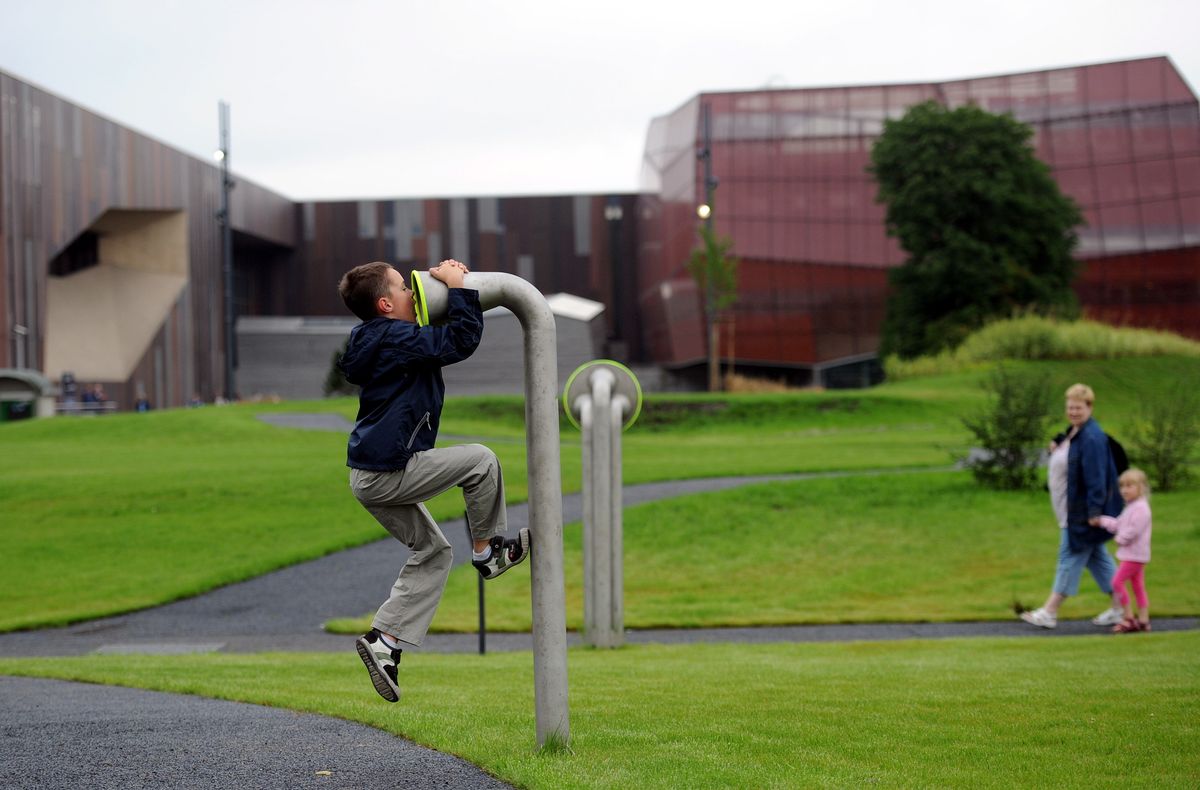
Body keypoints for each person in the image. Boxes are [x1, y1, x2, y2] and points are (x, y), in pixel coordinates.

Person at [336, 259, 530, 703]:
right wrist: (459, 288)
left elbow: (431, 335)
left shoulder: (380, 337)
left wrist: (446, 289)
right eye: (404, 288)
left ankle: (384, 642)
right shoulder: (391, 337)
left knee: (434, 552)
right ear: (386, 304)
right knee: (481, 461)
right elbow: (460, 341)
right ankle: (487, 553)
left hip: (369, 475)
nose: (412, 292)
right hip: (389, 472)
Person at [1021, 383, 1124, 629]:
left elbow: (1097, 478)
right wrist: (1057, 445)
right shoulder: (1075, 433)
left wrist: (1094, 512)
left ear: (1089, 407)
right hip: (1070, 511)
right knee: (1098, 559)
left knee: (1069, 556)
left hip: (1080, 513)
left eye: (1078, 407)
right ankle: (1121, 608)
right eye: (1070, 407)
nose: (1073, 412)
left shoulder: (1091, 438)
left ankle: (1050, 611)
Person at [1094, 468, 1153, 633]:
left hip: (1134, 555)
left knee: (1116, 582)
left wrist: (1120, 539)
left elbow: (1133, 530)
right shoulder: (1131, 507)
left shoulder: (1141, 508)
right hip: (1132, 554)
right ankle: (1143, 620)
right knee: (1137, 587)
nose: (1125, 490)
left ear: (1141, 487)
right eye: (1122, 486)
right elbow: (1119, 524)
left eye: (1130, 486)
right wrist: (1102, 521)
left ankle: (1128, 618)